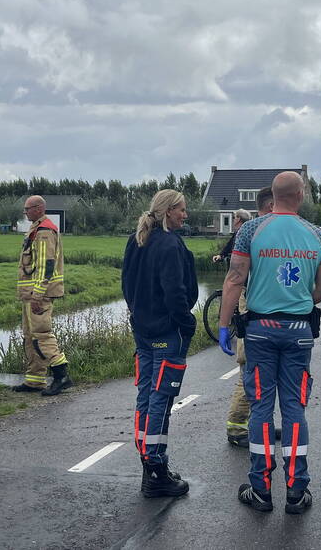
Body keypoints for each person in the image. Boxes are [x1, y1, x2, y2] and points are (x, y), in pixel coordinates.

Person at [222, 172, 321, 515]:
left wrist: (224, 325)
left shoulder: (251, 230)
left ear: (272, 195)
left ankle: (260, 489)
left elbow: (235, 278)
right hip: (298, 330)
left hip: (259, 330)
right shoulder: (316, 235)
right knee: (295, 408)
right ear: (300, 195)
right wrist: (299, 301)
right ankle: (297, 491)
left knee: (260, 408)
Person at [121, 189, 198, 498]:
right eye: (182, 210)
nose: (185, 215)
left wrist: (137, 313)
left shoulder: (136, 239)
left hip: (142, 330)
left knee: (146, 394)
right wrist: (186, 322)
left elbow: (126, 284)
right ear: (168, 211)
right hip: (167, 332)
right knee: (162, 399)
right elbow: (175, 292)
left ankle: (149, 462)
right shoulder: (169, 244)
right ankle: (155, 469)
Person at [225, 188, 273, 447]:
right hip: (250, 308)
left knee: (260, 375)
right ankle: (237, 429)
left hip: (255, 308)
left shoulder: (261, 230)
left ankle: (259, 424)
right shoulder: (254, 230)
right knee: (248, 372)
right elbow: (236, 278)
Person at [12, 196, 73, 396]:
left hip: (39, 295)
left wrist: (38, 294)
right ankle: (35, 379)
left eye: (27, 209)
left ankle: (61, 375)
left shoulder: (44, 232)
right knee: (30, 337)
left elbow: (46, 266)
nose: (25, 212)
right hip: (30, 294)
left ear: (38, 209)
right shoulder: (36, 229)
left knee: (42, 335)